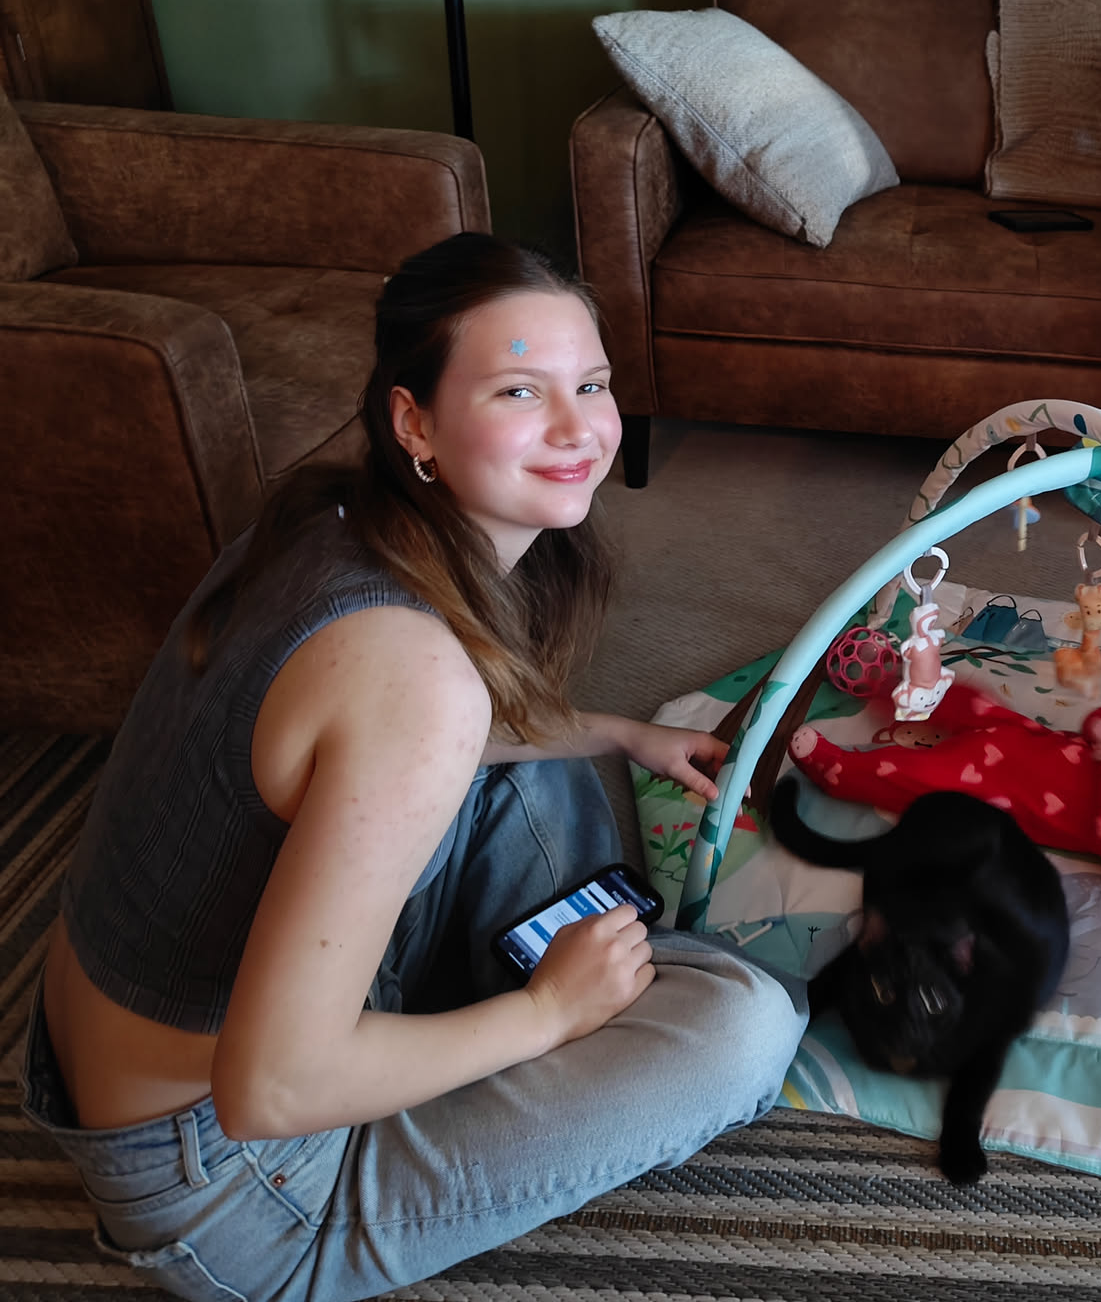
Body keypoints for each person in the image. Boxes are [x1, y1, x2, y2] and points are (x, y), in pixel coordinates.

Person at [21, 233, 808, 1301]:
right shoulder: (417, 677)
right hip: (233, 1180)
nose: (579, 428)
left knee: (540, 756)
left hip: (118, 1051)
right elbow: (268, 1090)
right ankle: (534, 1004)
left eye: (592, 383)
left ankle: (530, 992)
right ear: (414, 421)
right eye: (519, 391)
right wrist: (545, 1018)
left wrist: (622, 734)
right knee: (745, 1027)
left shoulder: (332, 518)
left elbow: (381, 740)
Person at [786, 682, 1101, 867]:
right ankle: (897, 690)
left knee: (922, 775)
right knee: (971, 701)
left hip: (1004, 789)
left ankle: (839, 771)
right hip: (1026, 739)